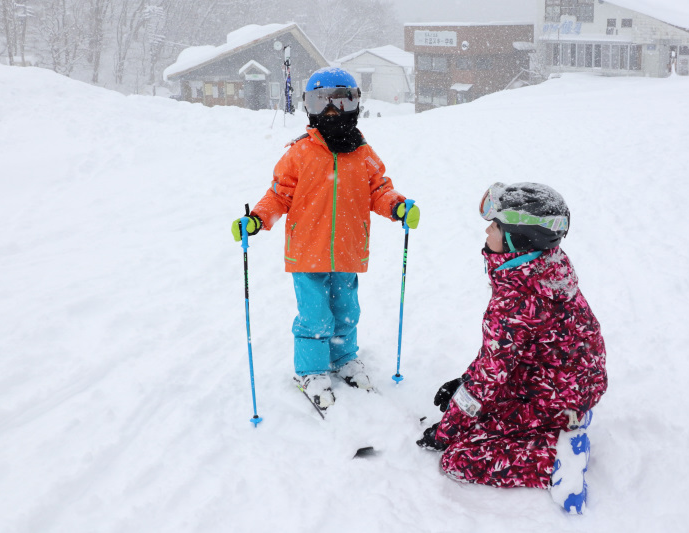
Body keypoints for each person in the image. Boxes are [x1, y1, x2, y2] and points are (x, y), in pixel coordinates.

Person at [231, 67, 420, 411]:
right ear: (309, 106)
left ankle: (344, 358)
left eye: (341, 101)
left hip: (347, 249)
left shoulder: (363, 153)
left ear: (355, 104)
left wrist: (397, 206)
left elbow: (379, 189)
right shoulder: (300, 152)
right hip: (307, 252)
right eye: (322, 102)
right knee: (315, 314)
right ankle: (311, 370)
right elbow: (279, 195)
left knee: (346, 310)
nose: (331, 111)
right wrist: (257, 218)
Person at [416, 182, 607, 514]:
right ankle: (566, 418)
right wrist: (465, 383)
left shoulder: (517, 299)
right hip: (569, 381)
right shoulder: (541, 267)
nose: (487, 230)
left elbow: (491, 376)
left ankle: (555, 459)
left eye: (496, 225)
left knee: (459, 456)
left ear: (517, 240)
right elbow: (500, 356)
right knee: (481, 412)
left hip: (557, 393)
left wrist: (446, 432)